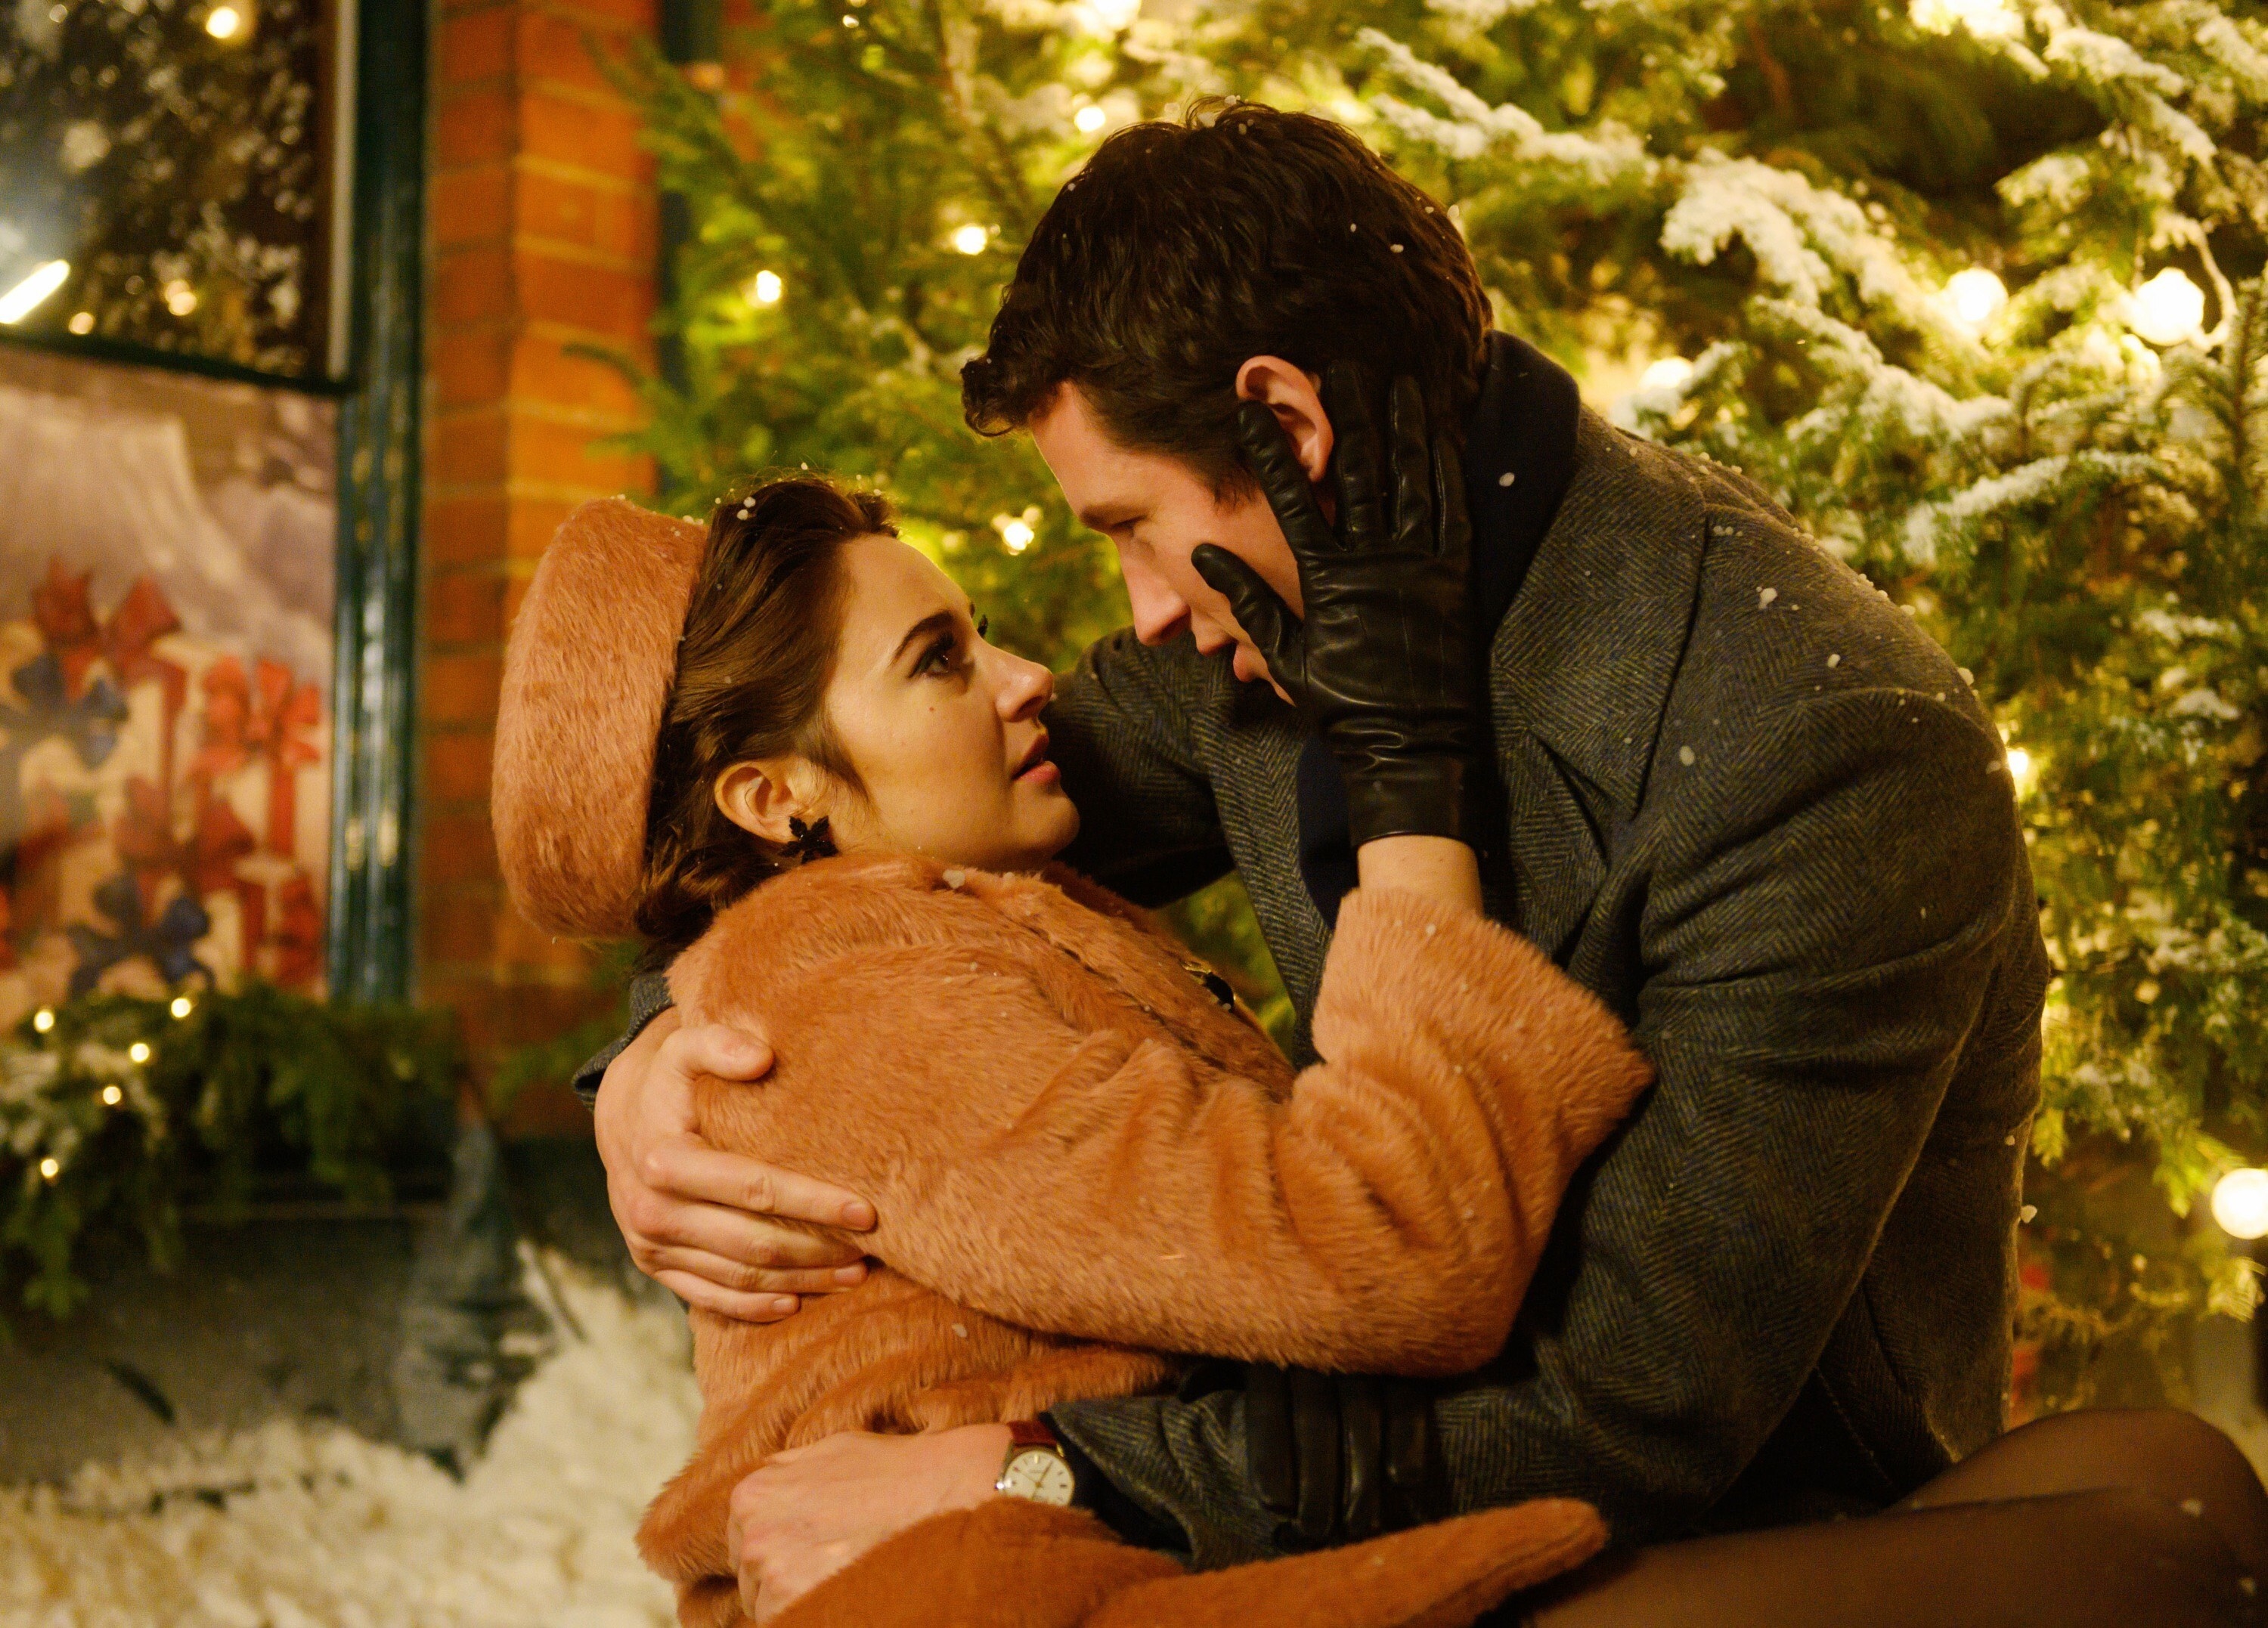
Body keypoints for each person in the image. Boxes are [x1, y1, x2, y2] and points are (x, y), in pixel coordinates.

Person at [574, 101, 2268, 1622]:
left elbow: (1636, 1411)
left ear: (1292, 435)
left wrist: (1047, 1476)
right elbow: (878, 809)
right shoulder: (1258, 614)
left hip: (1695, 1504)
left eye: (1128, 532)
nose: (1134, 616)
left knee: (2176, 1509)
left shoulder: (1813, 741)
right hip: (1338, 1431)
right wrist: (661, 1049)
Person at [491, 463, 1653, 1626]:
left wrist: (645, 1053)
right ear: (772, 795)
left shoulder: (910, 917)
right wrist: (1415, 825)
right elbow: (1398, 1246)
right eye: (938, 660)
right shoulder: (863, 997)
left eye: (980, 635)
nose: (1030, 677)